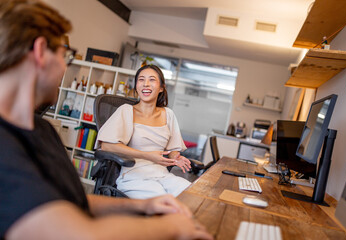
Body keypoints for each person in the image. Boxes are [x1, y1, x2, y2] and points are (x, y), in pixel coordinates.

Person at [0, 1, 213, 239]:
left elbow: (73, 201)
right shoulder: (6, 145)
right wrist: (172, 227)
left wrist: (142, 206)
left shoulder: (42, 130)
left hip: (159, 177)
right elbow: (76, 234)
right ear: (40, 51)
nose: (64, 67)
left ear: (161, 89)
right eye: (66, 56)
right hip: (135, 177)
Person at [96, 65, 192, 199]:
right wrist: (147, 155)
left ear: (161, 88)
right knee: (162, 203)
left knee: (190, 195)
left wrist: (176, 157)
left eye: (152, 80)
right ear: (136, 86)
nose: (146, 84)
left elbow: (171, 150)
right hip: (134, 176)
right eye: (141, 80)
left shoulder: (168, 114)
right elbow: (107, 146)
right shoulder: (126, 111)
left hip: (162, 175)